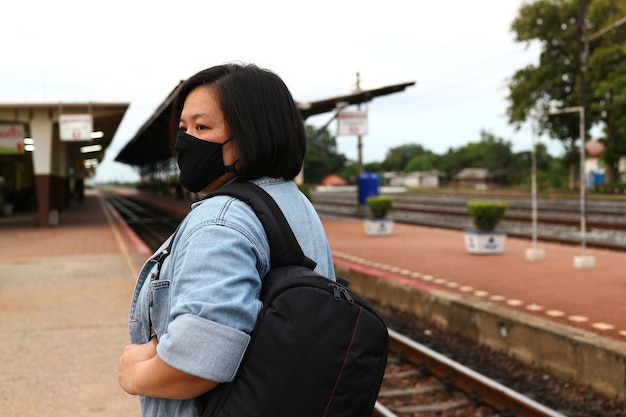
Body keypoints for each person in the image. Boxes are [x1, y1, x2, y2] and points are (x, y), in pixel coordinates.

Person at [118, 63, 336, 416]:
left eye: (202, 127)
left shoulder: (219, 219)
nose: (185, 141)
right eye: (183, 128)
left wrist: (134, 373)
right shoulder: (294, 202)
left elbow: (194, 365)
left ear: (252, 135)